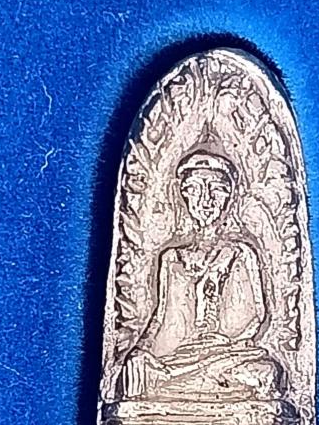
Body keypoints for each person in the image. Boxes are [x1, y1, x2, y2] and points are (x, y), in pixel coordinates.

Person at [121, 151, 286, 402]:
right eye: (195, 189)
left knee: (266, 373)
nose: (206, 201)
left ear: (230, 197)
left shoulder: (241, 252)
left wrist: (225, 345)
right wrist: (140, 351)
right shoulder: (171, 258)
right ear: (183, 195)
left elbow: (257, 317)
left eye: (216, 190)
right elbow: (160, 318)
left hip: (228, 355)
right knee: (135, 373)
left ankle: (189, 385)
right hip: (181, 359)